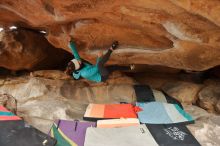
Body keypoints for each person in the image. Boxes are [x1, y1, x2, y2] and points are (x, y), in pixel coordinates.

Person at [65, 36, 134, 82]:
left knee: (114, 67)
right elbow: (97, 68)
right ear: (78, 66)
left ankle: (130, 67)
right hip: (102, 76)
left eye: (77, 60)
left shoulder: (77, 65)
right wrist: (99, 57)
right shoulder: (84, 73)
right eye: (78, 62)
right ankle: (111, 49)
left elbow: (75, 53)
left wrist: (70, 42)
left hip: (99, 71)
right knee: (100, 64)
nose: (78, 60)